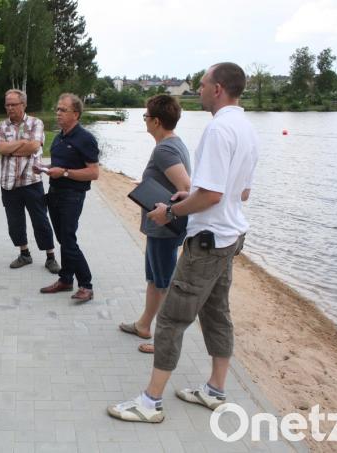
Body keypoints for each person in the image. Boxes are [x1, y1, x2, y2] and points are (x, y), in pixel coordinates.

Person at [107, 62, 258, 423]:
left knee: (173, 318)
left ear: (218, 88)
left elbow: (210, 197)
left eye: (203, 84)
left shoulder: (219, 130)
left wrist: (171, 213)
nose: (199, 89)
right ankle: (215, 390)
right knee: (217, 313)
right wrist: (188, 196)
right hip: (231, 236)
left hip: (207, 240)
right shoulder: (247, 128)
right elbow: (243, 192)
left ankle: (150, 403)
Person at [117, 95, 191, 354]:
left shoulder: (165, 149)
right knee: (154, 279)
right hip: (158, 226)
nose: (145, 120)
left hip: (164, 227)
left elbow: (186, 187)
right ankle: (144, 325)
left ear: (156, 121)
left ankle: (164, 340)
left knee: (165, 283)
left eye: (146, 116)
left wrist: (169, 212)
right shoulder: (173, 144)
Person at [39, 93, 99, 303]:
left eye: (63, 110)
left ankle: (86, 285)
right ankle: (65, 279)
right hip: (54, 193)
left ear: (76, 114)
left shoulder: (86, 139)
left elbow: (94, 173)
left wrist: (64, 172)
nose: (58, 113)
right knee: (63, 239)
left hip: (72, 196)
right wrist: (45, 169)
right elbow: (61, 165)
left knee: (68, 240)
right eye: (57, 109)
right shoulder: (60, 136)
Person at [0, 89, 60, 273]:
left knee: (40, 220)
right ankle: (24, 254)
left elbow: (34, 146)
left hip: (32, 181)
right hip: (8, 183)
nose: (10, 108)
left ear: (23, 104)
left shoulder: (35, 123)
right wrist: (22, 144)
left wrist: (12, 148)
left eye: (14, 104)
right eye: (7, 104)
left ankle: (50, 257)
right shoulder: (0, 126)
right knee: (15, 222)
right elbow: (0, 148)